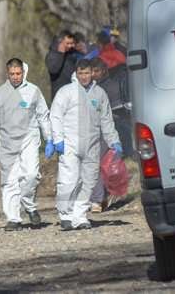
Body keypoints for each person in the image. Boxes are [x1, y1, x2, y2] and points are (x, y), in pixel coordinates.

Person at [49, 59, 122, 230]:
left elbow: (106, 120)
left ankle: (79, 216)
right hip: (70, 144)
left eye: (87, 73)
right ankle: (65, 215)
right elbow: (56, 115)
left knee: (89, 181)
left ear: (92, 73)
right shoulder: (66, 92)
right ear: (76, 73)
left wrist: (114, 140)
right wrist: (57, 139)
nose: (84, 77)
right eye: (81, 73)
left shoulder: (99, 93)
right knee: (69, 179)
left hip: (92, 144)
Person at [0, 58, 53, 231]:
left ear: (23, 72)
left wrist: (49, 139)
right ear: (7, 73)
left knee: (31, 175)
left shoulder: (33, 91)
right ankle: (13, 219)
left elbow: (43, 116)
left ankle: (29, 205)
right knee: (9, 181)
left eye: (18, 73)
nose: (16, 77)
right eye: (12, 74)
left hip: (29, 140)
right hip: (7, 142)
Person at [89, 57, 132, 212]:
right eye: (92, 71)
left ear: (104, 71)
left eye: (96, 71)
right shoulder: (91, 88)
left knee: (110, 165)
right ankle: (100, 198)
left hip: (113, 130)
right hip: (95, 132)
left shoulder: (110, 87)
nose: (93, 74)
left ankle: (111, 194)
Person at [45, 30, 77, 100]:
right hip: (59, 97)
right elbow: (53, 69)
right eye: (68, 43)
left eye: (72, 43)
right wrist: (60, 53)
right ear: (60, 42)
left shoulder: (72, 54)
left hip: (73, 95)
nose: (70, 46)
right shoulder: (52, 55)